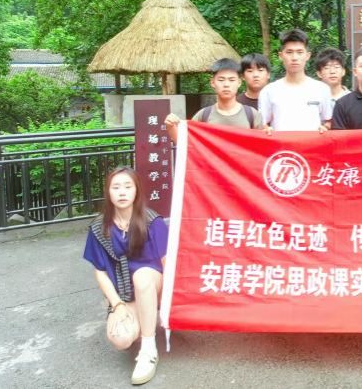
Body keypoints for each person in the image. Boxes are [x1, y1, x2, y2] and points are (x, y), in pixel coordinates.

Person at [83, 167, 168, 385]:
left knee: (142, 277)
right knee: (120, 339)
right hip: (126, 295)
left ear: (136, 191)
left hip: (153, 286)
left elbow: (167, 263)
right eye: (116, 187)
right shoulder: (99, 228)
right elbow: (100, 272)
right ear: (108, 192)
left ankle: (148, 349)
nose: (122, 192)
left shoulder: (152, 221)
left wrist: (172, 304)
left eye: (128, 187)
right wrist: (117, 305)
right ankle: (144, 320)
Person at [165, 58, 263, 140]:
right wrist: (171, 127)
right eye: (221, 80)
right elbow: (188, 144)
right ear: (213, 83)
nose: (226, 84)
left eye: (231, 80)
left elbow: (263, 146)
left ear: (239, 83)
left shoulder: (252, 115)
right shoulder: (203, 116)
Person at [258, 29, 333, 132]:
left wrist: (325, 127)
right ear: (281, 56)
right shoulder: (269, 91)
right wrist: (266, 129)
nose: (294, 57)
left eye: (299, 52)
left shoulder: (322, 89)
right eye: (289, 52)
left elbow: (328, 120)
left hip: (312, 142)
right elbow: (263, 124)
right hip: (281, 142)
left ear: (307, 56)